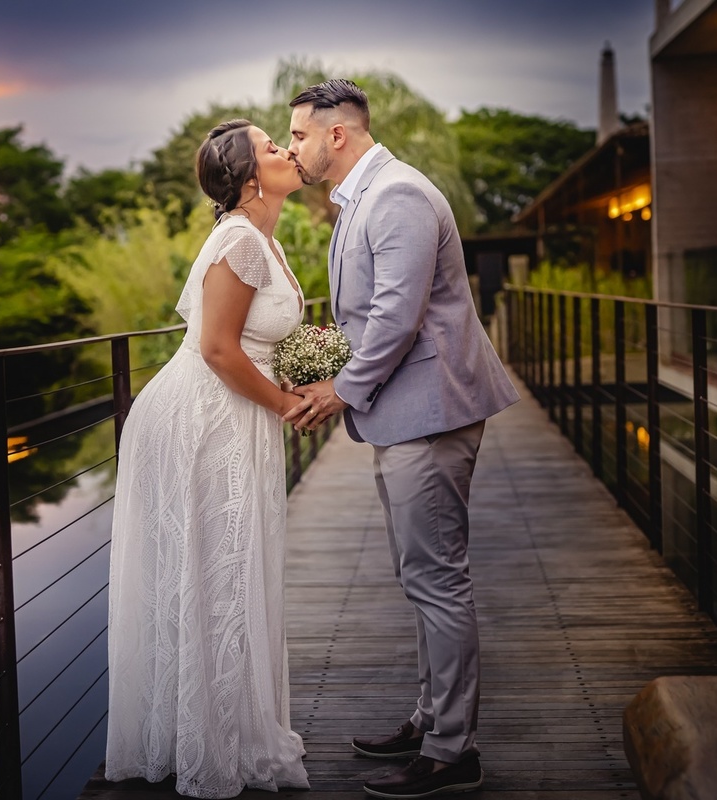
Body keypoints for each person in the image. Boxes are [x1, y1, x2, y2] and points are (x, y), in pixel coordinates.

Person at [283, 79, 519, 798]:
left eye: (296, 135)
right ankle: (430, 717)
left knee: (438, 580)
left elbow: (396, 317)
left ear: (336, 135)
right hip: (411, 411)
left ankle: (453, 752)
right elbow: (364, 317)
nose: (290, 148)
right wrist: (321, 357)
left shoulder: (397, 196)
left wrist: (338, 389)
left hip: (432, 411)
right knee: (423, 578)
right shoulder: (366, 196)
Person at [105, 119, 310, 798]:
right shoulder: (239, 240)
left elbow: (249, 344)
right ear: (252, 176)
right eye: (272, 146)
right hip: (202, 421)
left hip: (232, 412)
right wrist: (287, 405)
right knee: (214, 571)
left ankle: (225, 730)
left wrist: (300, 376)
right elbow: (219, 349)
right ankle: (204, 744)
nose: (286, 150)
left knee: (227, 569)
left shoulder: (263, 240)